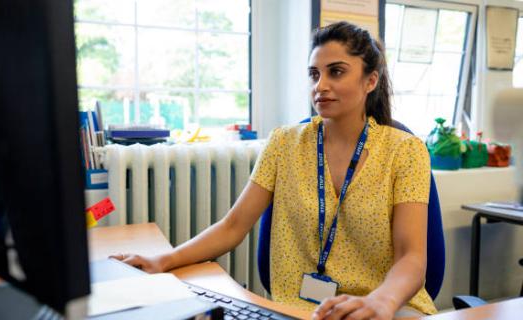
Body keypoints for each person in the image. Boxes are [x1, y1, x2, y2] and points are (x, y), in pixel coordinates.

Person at [111, 21, 436, 319]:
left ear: (370, 81)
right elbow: (232, 226)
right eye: (314, 74)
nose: (320, 86)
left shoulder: (405, 151)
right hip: (299, 309)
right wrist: (163, 261)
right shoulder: (284, 143)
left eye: (336, 72)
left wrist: (381, 301)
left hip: (384, 307)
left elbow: (412, 257)